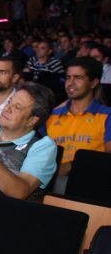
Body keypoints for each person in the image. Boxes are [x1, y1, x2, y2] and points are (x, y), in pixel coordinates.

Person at [45, 57, 111, 193]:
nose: (70, 83)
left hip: (91, 183)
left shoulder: (107, 116)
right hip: (51, 181)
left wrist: (70, 166)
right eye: (68, 77)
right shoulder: (52, 116)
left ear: (93, 83)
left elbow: (108, 157)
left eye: (78, 78)